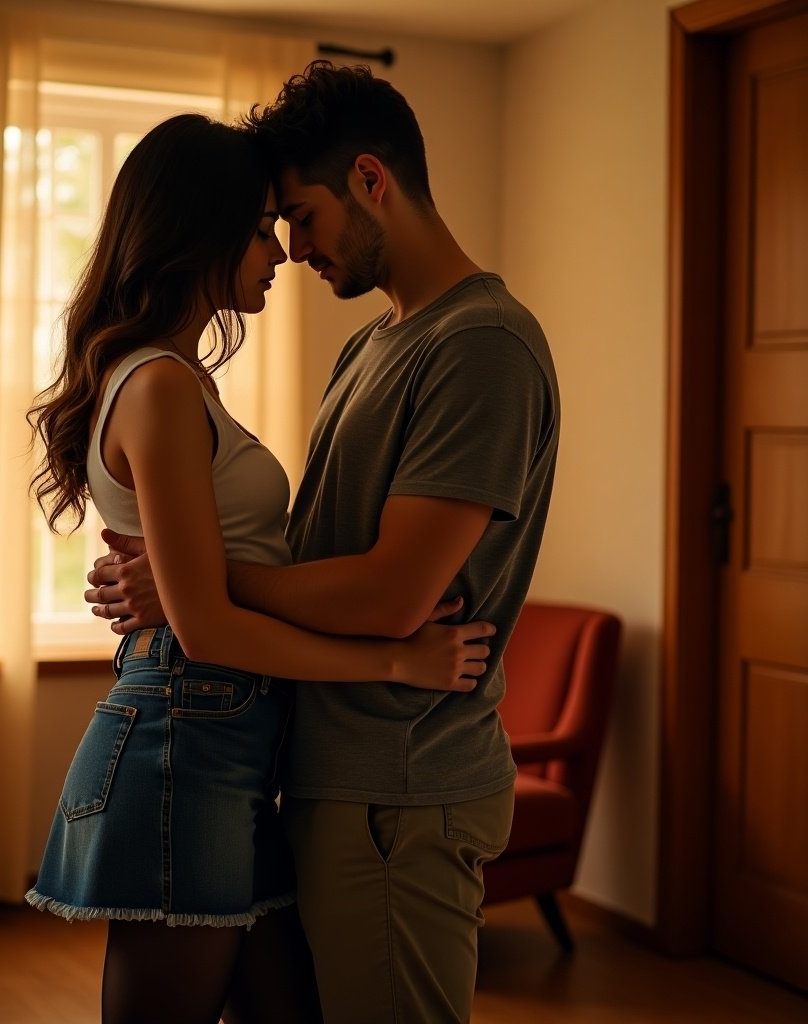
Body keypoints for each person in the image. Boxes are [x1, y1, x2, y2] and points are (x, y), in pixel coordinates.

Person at [86, 63, 561, 1023]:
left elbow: (391, 595)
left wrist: (197, 588)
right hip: (318, 770)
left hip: (402, 781)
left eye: (298, 216)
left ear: (371, 180)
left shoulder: (482, 345)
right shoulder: (372, 345)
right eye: (272, 227)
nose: (292, 249)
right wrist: (187, 589)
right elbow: (306, 558)